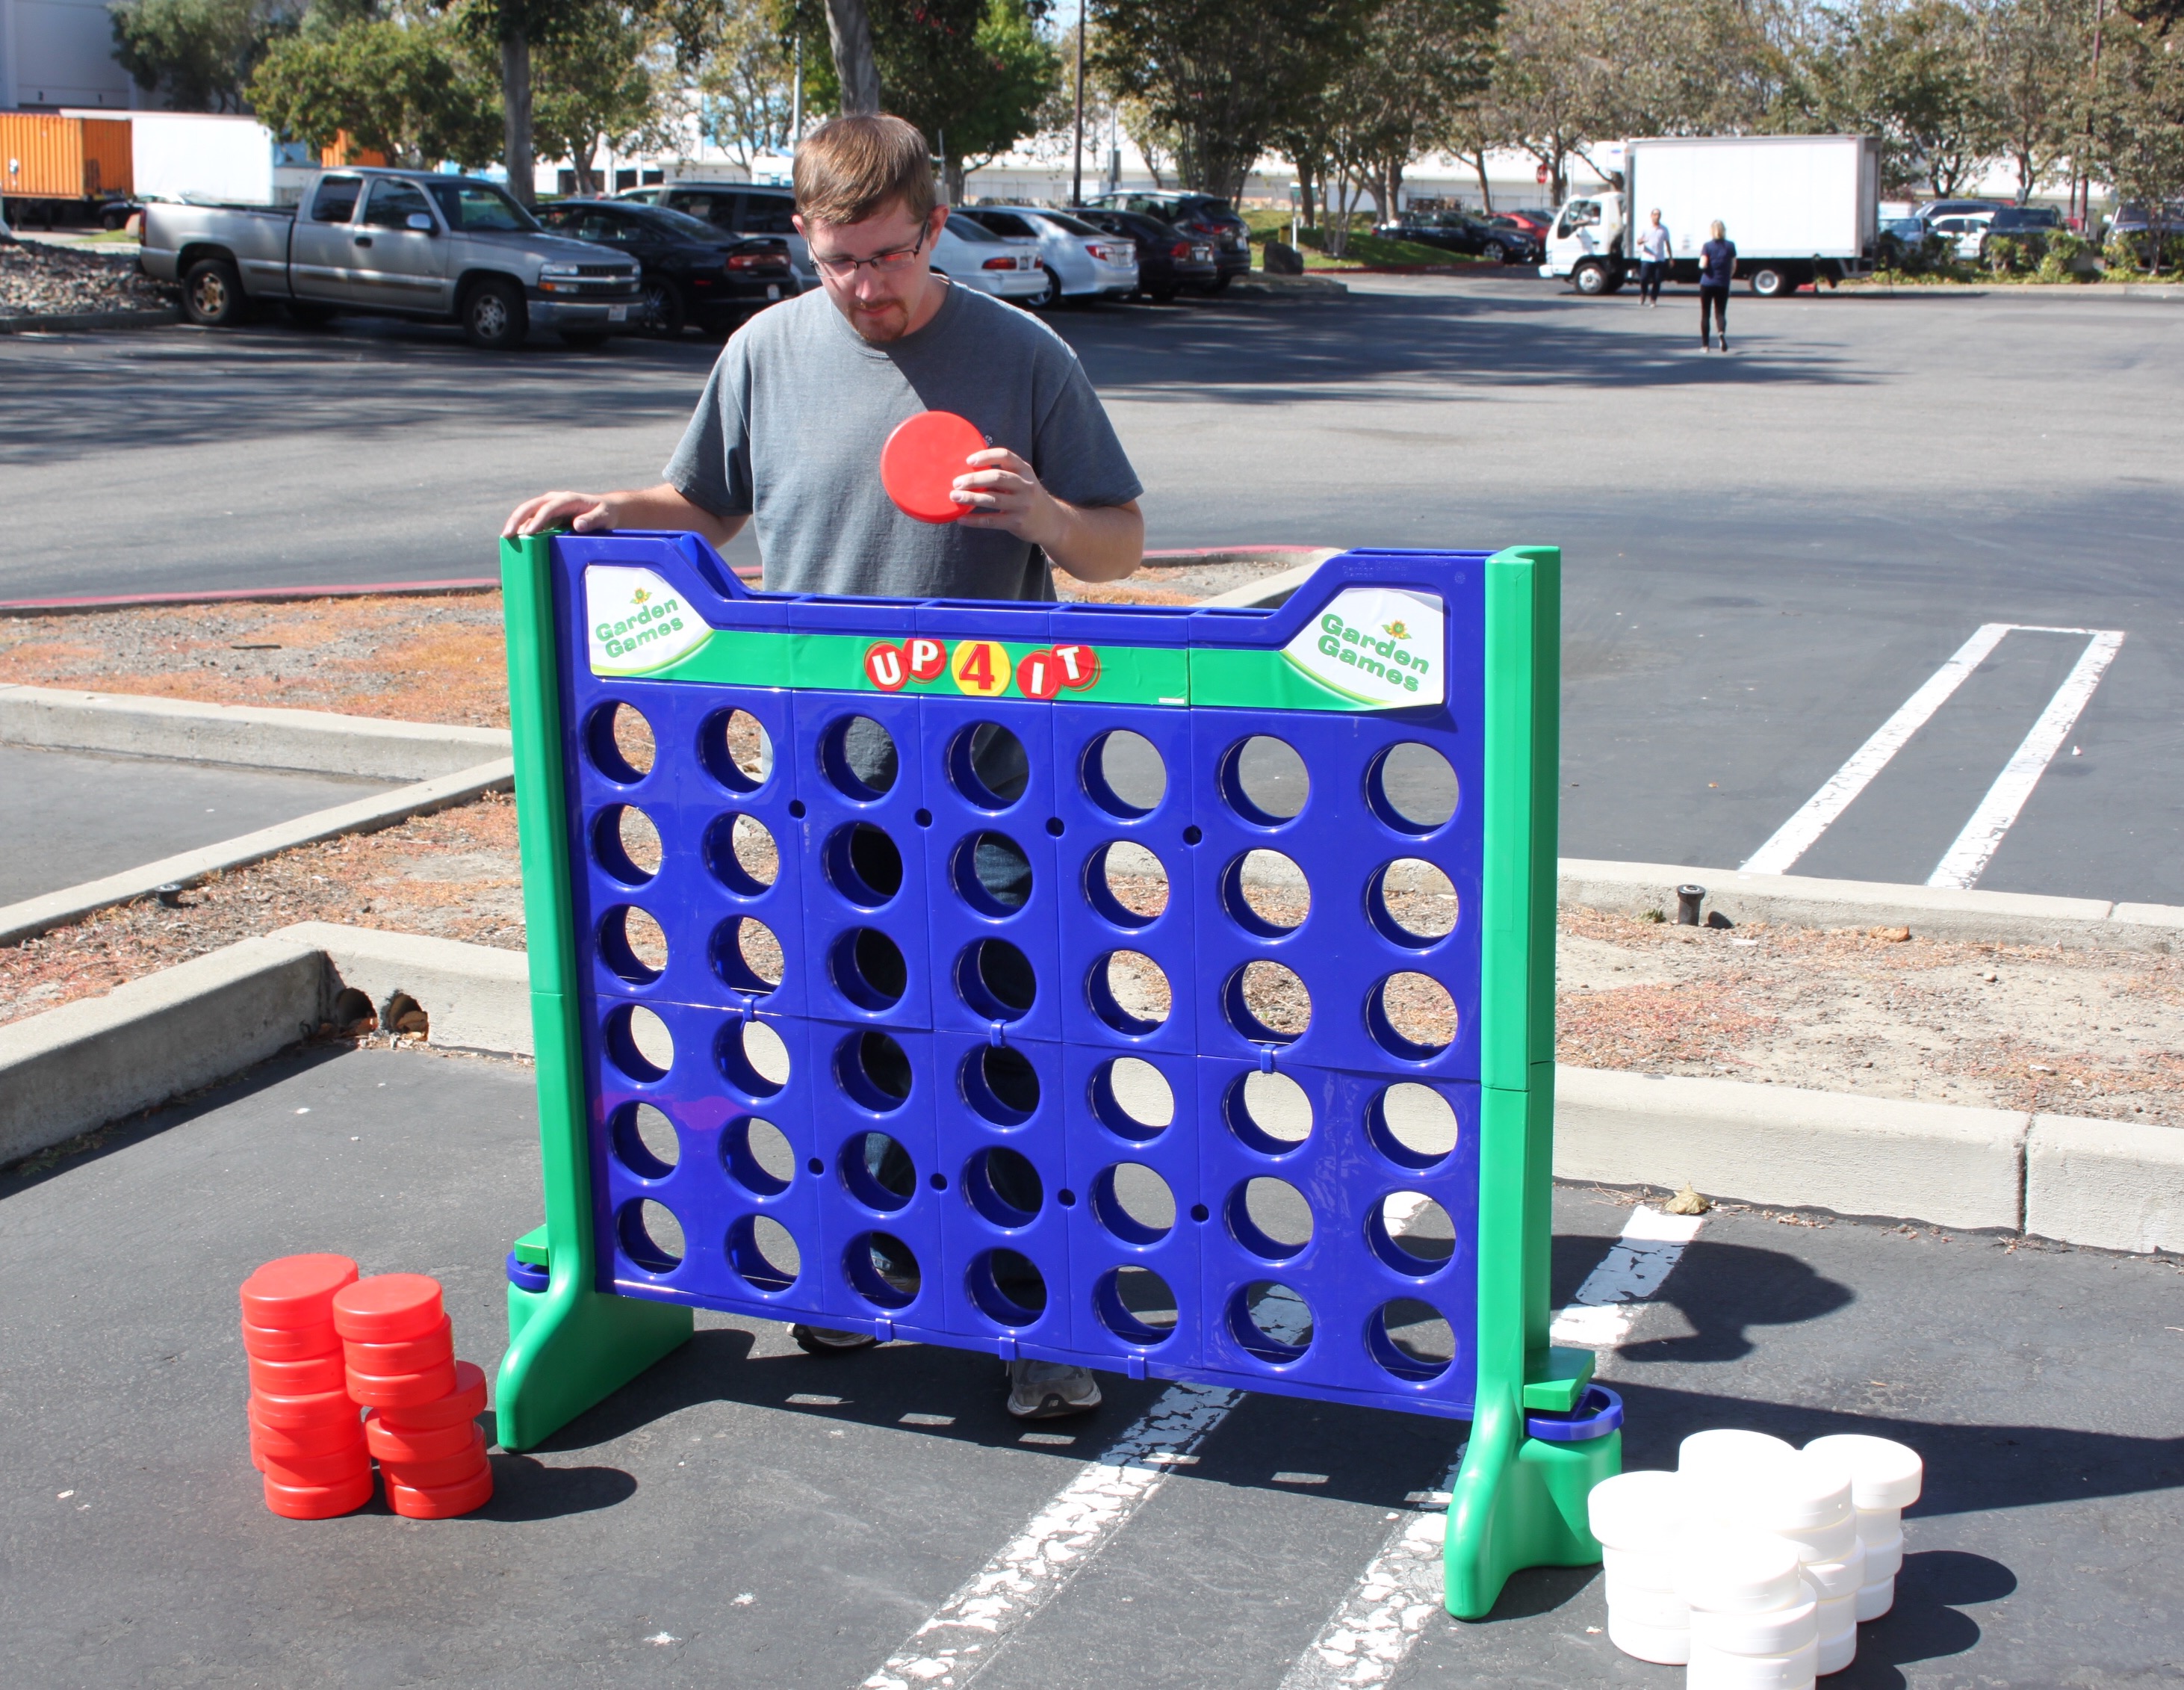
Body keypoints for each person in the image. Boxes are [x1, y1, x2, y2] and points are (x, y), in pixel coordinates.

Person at [504, 114, 1146, 1421]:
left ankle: (1035, 1319)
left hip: (989, 786)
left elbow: (1118, 546)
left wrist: (1044, 518)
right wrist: (614, 509)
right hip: (821, 778)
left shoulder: (1023, 355)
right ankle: (874, 1279)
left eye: (889, 255)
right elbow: (713, 505)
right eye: (837, 259)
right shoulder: (762, 353)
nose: (866, 286)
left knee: (1005, 1044)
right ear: (802, 237)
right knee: (854, 1039)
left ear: (935, 223)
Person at [1698, 219, 1735, 351]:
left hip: (1707, 283)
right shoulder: (1730, 246)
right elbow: (1734, 266)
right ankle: (1721, 333)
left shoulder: (1707, 246)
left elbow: (1702, 264)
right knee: (1720, 313)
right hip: (1723, 283)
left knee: (1705, 314)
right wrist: (1726, 277)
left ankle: (1705, 345)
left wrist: (1704, 267)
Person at [1635, 208, 1671, 307]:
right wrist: (1642, 241)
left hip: (1659, 258)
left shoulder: (1664, 229)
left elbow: (1667, 243)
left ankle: (1653, 299)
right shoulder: (1645, 228)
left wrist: (1671, 257)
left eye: (1659, 214)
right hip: (1647, 258)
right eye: (1655, 214)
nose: (1657, 216)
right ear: (1651, 216)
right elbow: (1638, 241)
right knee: (1644, 278)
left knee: (1657, 280)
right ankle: (1643, 294)